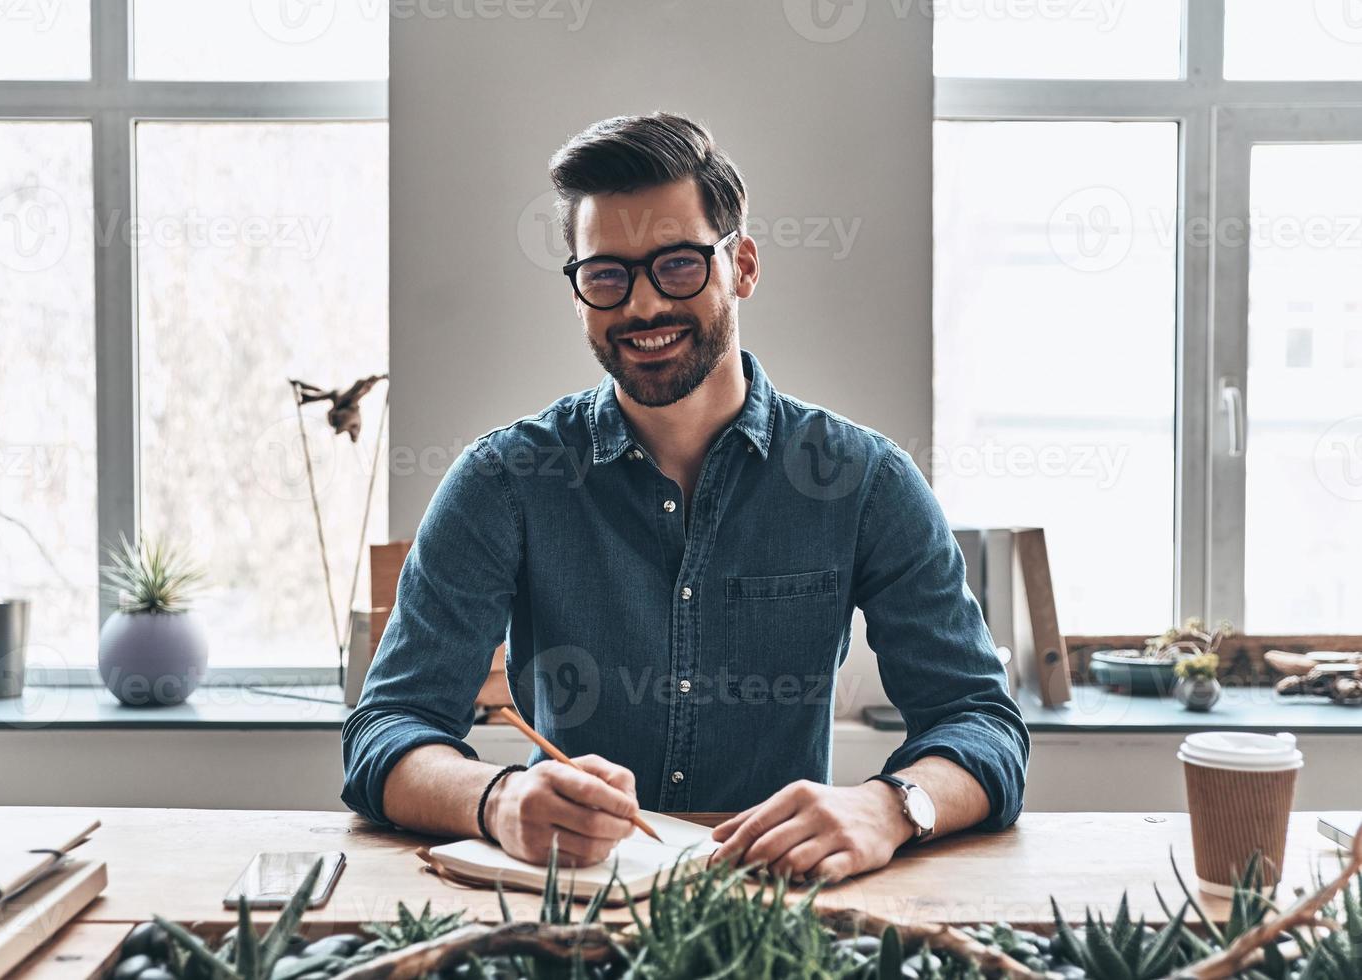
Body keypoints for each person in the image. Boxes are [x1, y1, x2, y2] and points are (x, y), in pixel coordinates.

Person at [342, 111, 1028, 884]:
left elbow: (981, 723)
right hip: (567, 918)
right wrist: (498, 799)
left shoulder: (867, 481)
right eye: (606, 275)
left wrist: (889, 806)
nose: (639, 307)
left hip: (782, 908)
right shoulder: (501, 481)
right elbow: (386, 728)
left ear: (741, 265)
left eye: (676, 265)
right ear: (577, 291)